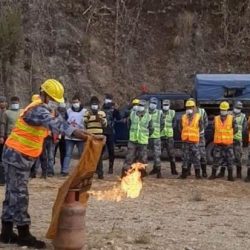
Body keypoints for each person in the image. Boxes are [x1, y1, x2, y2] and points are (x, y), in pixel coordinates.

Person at [0, 79, 88, 248]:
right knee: (20, 195)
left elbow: (58, 121)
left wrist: (79, 131)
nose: (55, 103)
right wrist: (80, 134)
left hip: (18, 155)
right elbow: (57, 124)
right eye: (53, 99)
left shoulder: (42, 108)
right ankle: (23, 233)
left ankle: (6, 232)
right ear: (45, 96)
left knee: (12, 194)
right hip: (17, 156)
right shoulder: (38, 110)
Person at [122, 99, 153, 177]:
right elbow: (128, 125)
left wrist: (146, 135)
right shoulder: (132, 114)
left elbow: (151, 128)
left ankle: (141, 174)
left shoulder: (148, 116)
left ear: (145, 107)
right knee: (129, 157)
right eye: (139, 105)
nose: (140, 107)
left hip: (143, 140)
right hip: (133, 140)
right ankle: (125, 173)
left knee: (143, 158)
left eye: (142, 106)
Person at [209, 101, 237, 181]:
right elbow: (213, 129)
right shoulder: (216, 119)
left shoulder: (232, 119)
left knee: (229, 160)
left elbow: (236, 129)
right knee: (216, 160)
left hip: (228, 144)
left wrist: (228, 136)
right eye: (222, 109)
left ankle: (230, 176)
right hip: (218, 144)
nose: (223, 111)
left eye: (224, 109)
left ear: (227, 110)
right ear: (220, 109)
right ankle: (213, 175)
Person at [62, 95, 86, 176]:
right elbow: (64, 122)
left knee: (82, 155)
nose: (75, 104)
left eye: (77, 102)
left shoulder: (84, 111)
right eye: (74, 102)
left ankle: (83, 170)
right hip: (70, 136)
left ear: (80, 102)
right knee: (68, 154)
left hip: (81, 136)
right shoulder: (68, 111)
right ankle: (65, 171)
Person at [179, 100, 203, 179]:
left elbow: (201, 128)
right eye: (187, 107)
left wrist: (196, 135)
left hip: (194, 141)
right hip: (186, 141)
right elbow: (180, 128)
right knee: (185, 157)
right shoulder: (183, 117)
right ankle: (184, 174)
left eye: (191, 107)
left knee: (196, 158)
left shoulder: (198, 117)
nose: (189, 109)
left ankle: (198, 175)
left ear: (194, 108)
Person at [84, 96, 107, 179]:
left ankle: (100, 173)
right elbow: (84, 123)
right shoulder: (87, 113)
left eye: (96, 104)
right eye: (93, 104)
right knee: (89, 155)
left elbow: (105, 125)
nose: (94, 106)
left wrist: (101, 119)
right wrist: (88, 117)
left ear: (98, 105)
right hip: (90, 136)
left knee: (99, 156)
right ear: (90, 105)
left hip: (99, 137)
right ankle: (89, 173)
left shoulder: (102, 113)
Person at [186, 98, 208, 177]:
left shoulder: (202, 111)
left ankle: (204, 172)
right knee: (190, 154)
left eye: (192, 105)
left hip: (200, 136)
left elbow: (205, 123)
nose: (190, 107)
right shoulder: (187, 113)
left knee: (202, 154)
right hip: (190, 137)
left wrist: (199, 131)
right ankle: (187, 171)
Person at [102, 94, 121, 174]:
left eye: (109, 99)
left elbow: (119, 118)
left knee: (111, 150)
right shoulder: (101, 109)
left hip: (110, 132)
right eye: (107, 99)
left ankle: (110, 167)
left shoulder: (114, 110)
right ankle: (98, 167)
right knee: (100, 150)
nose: (108, 100)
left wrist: (116, 110)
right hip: (102, 132)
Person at [160, 99, 178, 176]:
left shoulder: (172, 112)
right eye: (164, 105)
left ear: (169, 105)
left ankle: (173, 170)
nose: (165, 106)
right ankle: (157, 170)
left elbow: (175, 123)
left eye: (167, 105)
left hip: (169, 137)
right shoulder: (159, 112)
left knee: (171, 154)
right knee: (158, 154)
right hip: (160, 136)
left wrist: (170, 128)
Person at [147, 97, 163, 178]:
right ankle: (142, 171)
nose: (153, 105)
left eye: (155, 103)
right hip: (146, 137)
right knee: (144, 154)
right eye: (152, 103)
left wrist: (158, 131)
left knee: (157, 155)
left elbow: (162, 124)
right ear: (149, 103)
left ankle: (158, 171)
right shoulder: (145, 112)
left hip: (156, 137)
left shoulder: (159, 113)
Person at [54, 102, 68, 171]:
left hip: (63, 136)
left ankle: (63, 168)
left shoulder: (67, 113)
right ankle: (51, 169)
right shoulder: (56, 112)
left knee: (63, 153)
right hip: (56, 135)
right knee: (53, 152)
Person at [0, 96, 7, 185]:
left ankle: (3, 179)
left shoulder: (8, 112)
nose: (2, 103)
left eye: (3, 101)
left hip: (6, 138)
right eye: (1, 102)